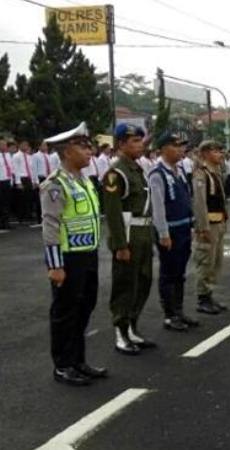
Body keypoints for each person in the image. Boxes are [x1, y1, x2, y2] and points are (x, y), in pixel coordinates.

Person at [40, 122, 106, 386]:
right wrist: (55, 266)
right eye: (83, 146)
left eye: (89, 146)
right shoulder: (55, 184)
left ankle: (78, 360)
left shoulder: (84, 182)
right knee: (65, 312)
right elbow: (51, 226)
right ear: (67, 152)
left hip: (87, 254)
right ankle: (63, 365)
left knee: (84, 308)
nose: (89, 151)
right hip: (68, 258)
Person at [103, 124, 156, 355]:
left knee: (143, 282)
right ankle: (120, 332)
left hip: (143, 234)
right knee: (125, 285)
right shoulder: (116, 173)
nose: (140, 146)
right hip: (128, 236)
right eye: (134, 142)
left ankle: (132, 327)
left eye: (140, 141)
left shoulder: (137, 169)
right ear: (121, 144)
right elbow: (113, 214)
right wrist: (120, 245)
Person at [149, 132, 198, 331]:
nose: (181, 150)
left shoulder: (178, 171)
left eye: (181, 146)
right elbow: (158, 206)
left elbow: (186, 198)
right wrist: (163, 233)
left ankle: (179, 311)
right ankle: (169, 315)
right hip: (170, 231)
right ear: (163, 149)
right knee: (168, 273)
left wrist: (192, 222)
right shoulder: (157, 174)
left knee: (180, 273)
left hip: (184, 227)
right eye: (175, 146)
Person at [192, 141, 229, 315]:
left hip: (219, 222)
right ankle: (202, 298)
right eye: (216, 151)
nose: (220, 154)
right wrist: (202, 227)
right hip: (208, 225)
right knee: (205, 260)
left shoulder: (215, 172)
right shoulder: (202, 173)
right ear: (206, 153)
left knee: (215, 262)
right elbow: (200, 203)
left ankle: (209, 294)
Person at [12, 140, 38, 223]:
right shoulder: (16, 156)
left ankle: (28, 215)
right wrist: (18, 182)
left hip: (28, 178)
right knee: (21, 199)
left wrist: (34, 181)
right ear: (20, 145)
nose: (25, 146)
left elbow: (33, 169)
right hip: (22, 178)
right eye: (23, 145)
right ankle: (20, 217)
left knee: (29, 198)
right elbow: (16, 170)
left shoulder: (29, 156)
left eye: (26, 145)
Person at [33, 141, 54, 223]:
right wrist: (36, 181)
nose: (45, 147)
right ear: (39, 146)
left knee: (49, 198)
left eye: (46, 145)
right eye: (43, 145)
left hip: (48, 178)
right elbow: (34, 169)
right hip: (41, 178)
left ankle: (48, 216)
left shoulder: (48, 156)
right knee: (40, 199)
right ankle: (39, 218)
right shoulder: (36, 156)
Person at [0, 139, 14, 229]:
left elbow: (11, 168)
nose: (5, 146)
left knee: (6, 202)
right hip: (0, 181)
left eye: (5, 145)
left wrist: (11, 180)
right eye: (3, 145)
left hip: (7, 180)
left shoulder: (8, 155)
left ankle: (6, 222)